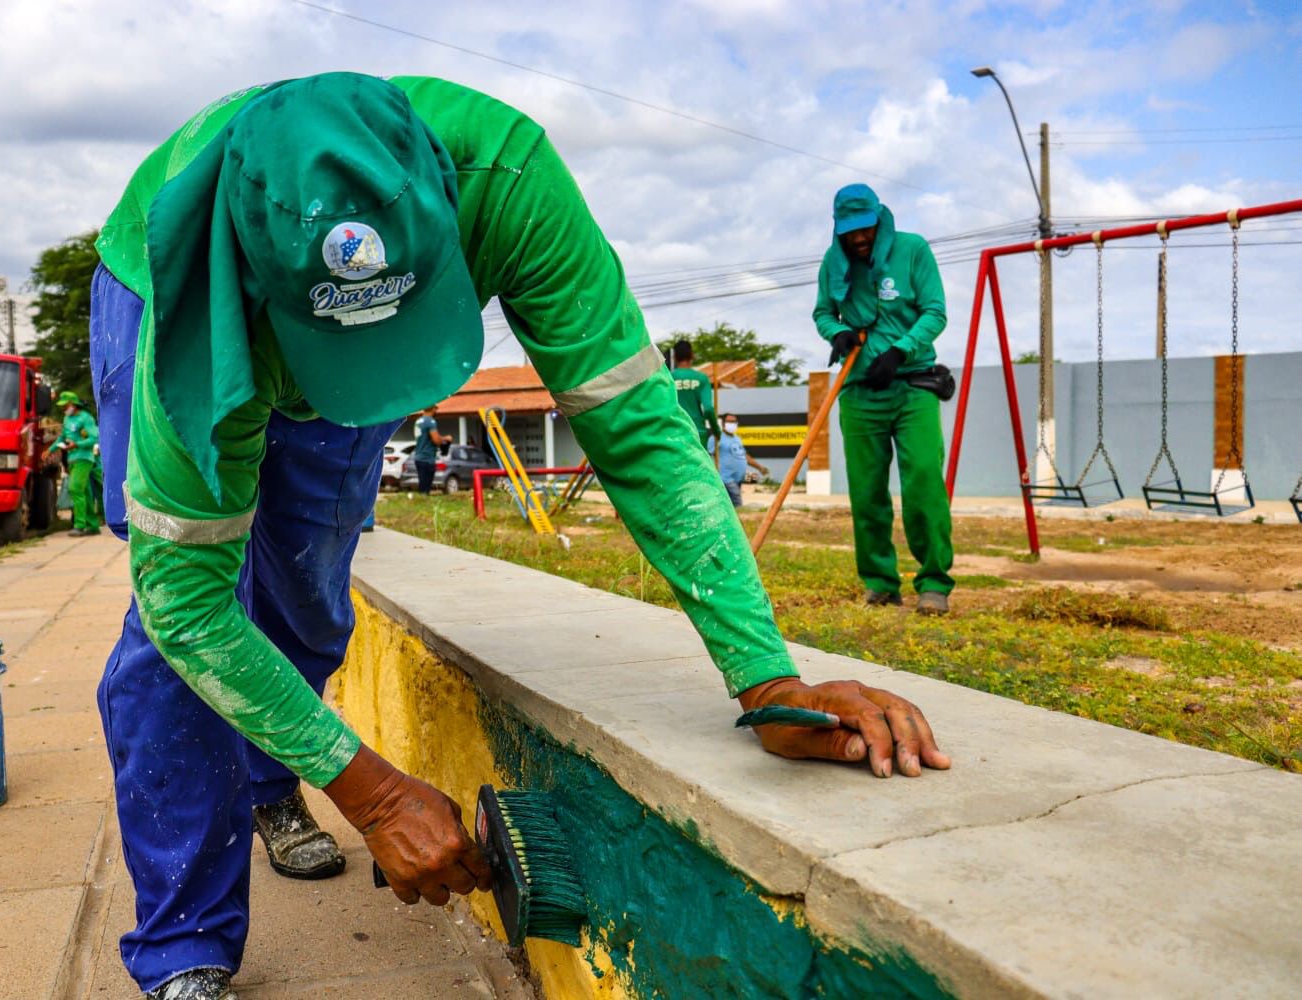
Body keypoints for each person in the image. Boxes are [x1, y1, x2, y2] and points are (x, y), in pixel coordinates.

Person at [89, 74, 950, 1000]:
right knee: (172, 632)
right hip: (177, 291)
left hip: (347, 289)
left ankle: (267, 782)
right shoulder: (201, 296)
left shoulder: (511, 182)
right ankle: (185, 945)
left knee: (305, 584)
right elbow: (189, 603)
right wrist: (373, 793)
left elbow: (643, 435)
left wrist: (767, 678)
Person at [812, 183, 954, 616]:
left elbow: (936, 311)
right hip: (858, 393)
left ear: (879, 220)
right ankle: (880, 583)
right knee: (867, 492)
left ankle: (933, 583)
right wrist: (835, 331)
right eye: (850, 232)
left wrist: (900, 350)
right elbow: (822, 312)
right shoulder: (833, 264)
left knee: (924, 482)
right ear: (839, 230)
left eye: (865, 229)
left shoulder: (912, 250)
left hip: (912, 388)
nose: (859, 239)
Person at [53, 390, 101, 536]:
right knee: (84, 491)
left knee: (74, 489)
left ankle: (79, 525)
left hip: (84, 458)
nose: (64, 408)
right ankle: (93, 526)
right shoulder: (67, 419)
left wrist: (77, 444)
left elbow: (95, 438)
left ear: (73, 404)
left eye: (65, 405)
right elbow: (61, 437)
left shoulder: (85, 418)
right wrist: (50, 449)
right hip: (72, 459)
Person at [711, 413, 769, 508]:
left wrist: (760, 468)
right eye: (729, 421)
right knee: (737, 501)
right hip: (725, 478)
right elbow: (709, 455)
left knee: (729, 505)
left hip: (738, 479)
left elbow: (744, 456)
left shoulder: (737, 439)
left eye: (734, 422)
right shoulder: (716, 438)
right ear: (723, 423)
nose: (732, 424)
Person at [669, 339, 721, 445]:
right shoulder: (701, 378)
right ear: (692, 355)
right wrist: (717, 432)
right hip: (697, 432)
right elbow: (708, 409)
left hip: (674, 432)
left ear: (674, 357)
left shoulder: (668, 378)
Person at [413, 403, 451, 494]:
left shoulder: (418, 421)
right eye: (435, 409)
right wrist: (446, 439)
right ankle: (423, 501)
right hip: (427, 457)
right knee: (426, 485)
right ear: (433, 409)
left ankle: (421, 500)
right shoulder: (430, 421)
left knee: (422, 483)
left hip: (418, 455)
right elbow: (436, 440)